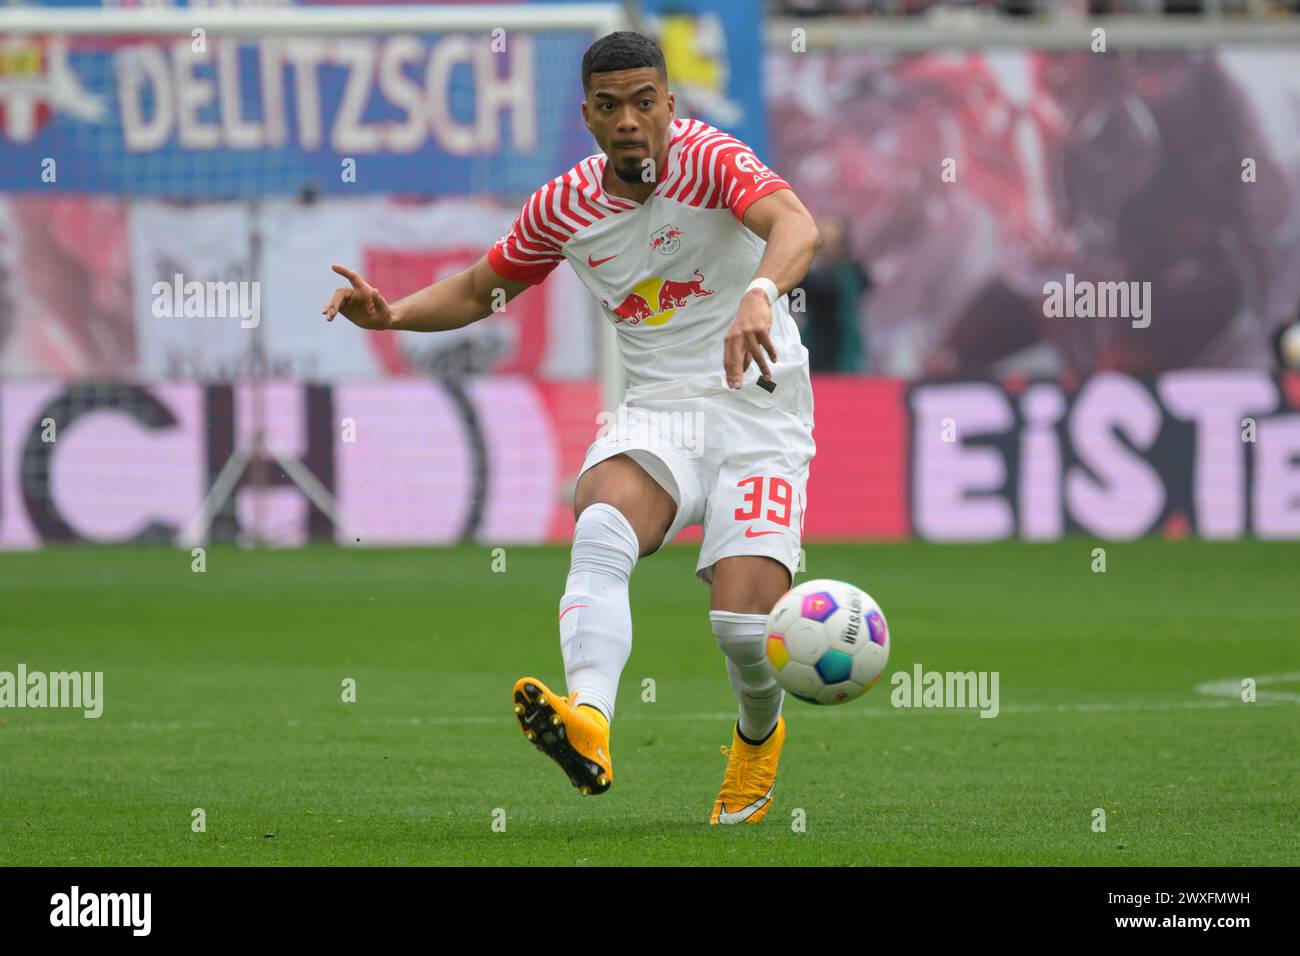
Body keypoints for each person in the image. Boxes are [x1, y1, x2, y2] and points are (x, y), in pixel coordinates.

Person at [321, 32, 821, 825]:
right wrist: (394, 315)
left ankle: (757, 738)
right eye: (610, 105)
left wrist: (759, 292)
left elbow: (796, 225)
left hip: (758, 408)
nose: (629, 120)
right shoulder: (564, 207)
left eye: (644, 102)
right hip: (659, 409)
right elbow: (485, 287)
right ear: (587, 116)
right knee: (600, 522)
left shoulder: (713, 159)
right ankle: (589, 719)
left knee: (741, 630)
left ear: (669, 106)